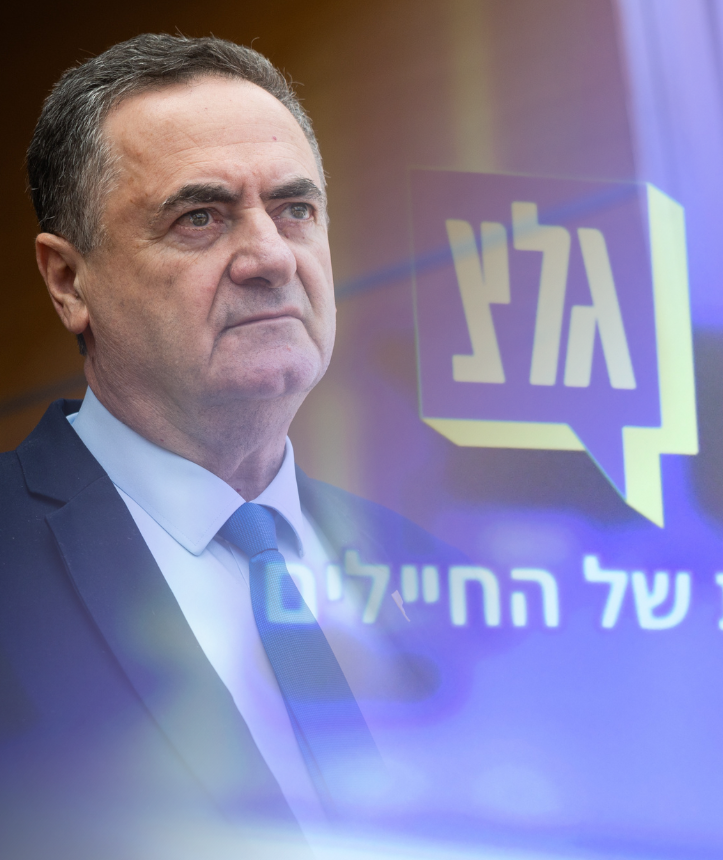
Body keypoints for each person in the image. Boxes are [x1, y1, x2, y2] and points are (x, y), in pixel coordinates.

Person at [0, 34, 460, 857]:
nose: (271, 258)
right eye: (200, 217)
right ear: (69, 281)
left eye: (295, 210)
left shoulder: (435, 570)